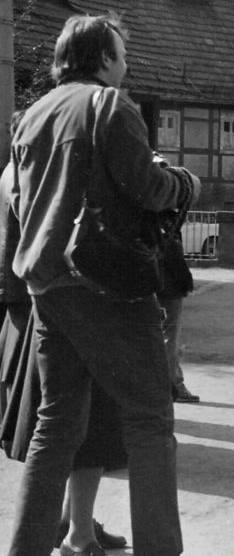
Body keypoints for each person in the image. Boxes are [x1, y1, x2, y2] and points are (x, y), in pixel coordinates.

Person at [8, 14, 200, 556]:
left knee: (56, 425)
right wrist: (184, 182)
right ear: (105, 59)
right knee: (150, 420)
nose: (127, 65)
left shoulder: (30, 117)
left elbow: (20, 204)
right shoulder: (110, 105)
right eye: (122, 55)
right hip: (107, 284)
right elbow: (147, 187)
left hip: (47, 288)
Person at [2, 112, 129, 556]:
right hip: (55, 310)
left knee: (64, 425)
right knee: (80, 425)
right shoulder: (34, 174)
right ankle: (77, 534)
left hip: (29, 309)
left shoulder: (16, 171)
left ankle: (73, 523)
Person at [157, 204, 199, 404]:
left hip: (151, 287)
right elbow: (175, 260)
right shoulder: (167, 227)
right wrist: (186, 283)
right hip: (169, 289)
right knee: (169, 338)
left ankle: (167, 384)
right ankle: (174, 385)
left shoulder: (144, 221)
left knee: (159, 336)